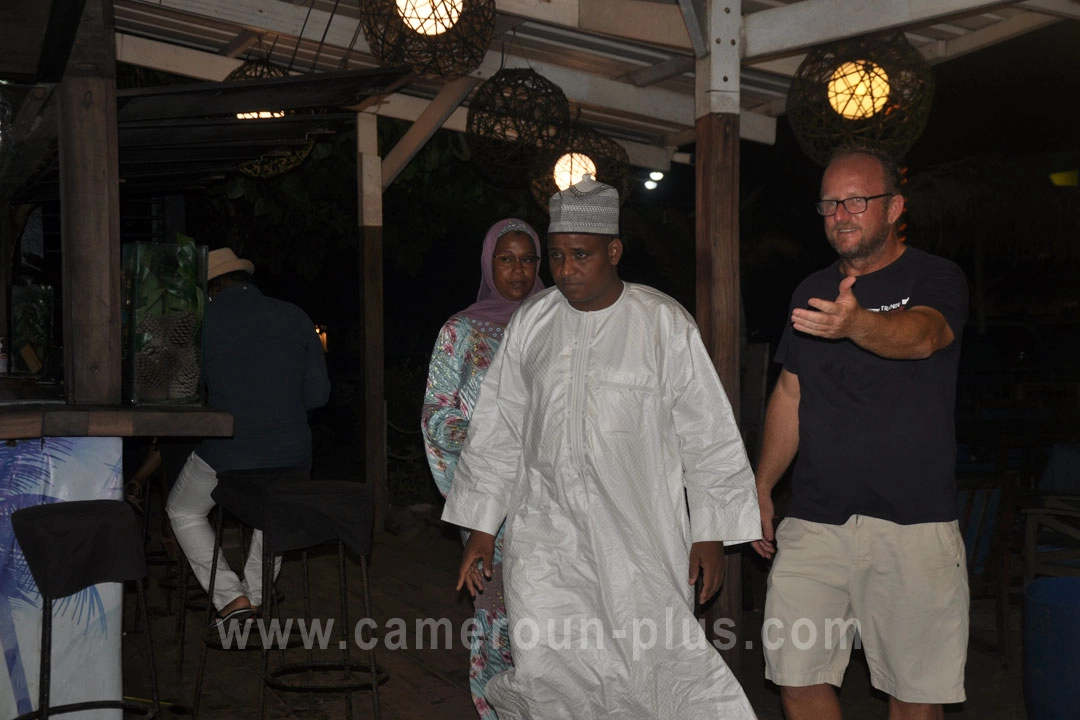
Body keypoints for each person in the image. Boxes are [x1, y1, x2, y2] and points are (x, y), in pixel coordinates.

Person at [442, 175, 761, 719]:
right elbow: (500, 430)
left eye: (581, 256)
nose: (565, 271)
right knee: (552, 670)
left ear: (613, 250)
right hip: (547, 543)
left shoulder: (662, 323)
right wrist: (481, 528)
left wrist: (710, 532)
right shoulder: (533, 323)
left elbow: (706, 433)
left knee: (658, 667)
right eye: (560, 256)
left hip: (639, 539)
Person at [752, 146, 970, 720]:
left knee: (914, 696)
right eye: (829, 204)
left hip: (914, 523)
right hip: (815, 520)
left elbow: (923, 336)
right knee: (795, 677)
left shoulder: (935, 276)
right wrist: (762, 486)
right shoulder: (810, 290)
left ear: (894, 206)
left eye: (855, 201)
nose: (839, 215)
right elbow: (790, 392)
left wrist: (856, 324)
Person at [166, 247, 330, 627]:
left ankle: (232, 599)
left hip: (230, 454)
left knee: (183, 510)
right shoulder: (295, 315)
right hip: (293, 455)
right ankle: (255, 595)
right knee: (271, 509)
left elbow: (179, 393)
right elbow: (318, 396)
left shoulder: (199, 322)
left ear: (211, 289)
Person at [422, 217, 545, 719]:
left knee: (551, 616)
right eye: (506, 258)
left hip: (557, 499)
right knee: (499, 615)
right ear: (489, 263)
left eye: (528, 259)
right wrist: (485, 475)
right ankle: (496, 710)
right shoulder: (461, 330)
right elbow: (437, 417)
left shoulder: (556, 320)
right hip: (493, 504)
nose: (518, 270)